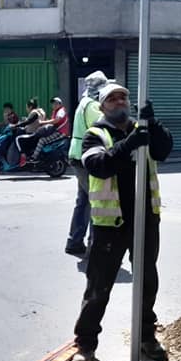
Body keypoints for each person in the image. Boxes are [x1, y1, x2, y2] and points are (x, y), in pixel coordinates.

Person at [70, 83, 173, 361]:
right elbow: (99, 165)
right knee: (98, 288)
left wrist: (152, 121)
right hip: (111, 224)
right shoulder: (95, 135)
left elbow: (164, 150)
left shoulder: (143, 129)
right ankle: (85, 343)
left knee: (146, 283)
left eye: (122, 97)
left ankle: (146, 338)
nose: (118, 102)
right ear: (102, 107)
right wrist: (130, 144)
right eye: (111, 99)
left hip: (146, 219)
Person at [65, 71, 108, 257]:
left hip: (77, 155)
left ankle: (74, 241)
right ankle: (94, 245)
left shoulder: (83, 102)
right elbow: (102, 128)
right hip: (86, 157)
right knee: (95, 201)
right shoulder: (92, 106)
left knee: (82, 202)